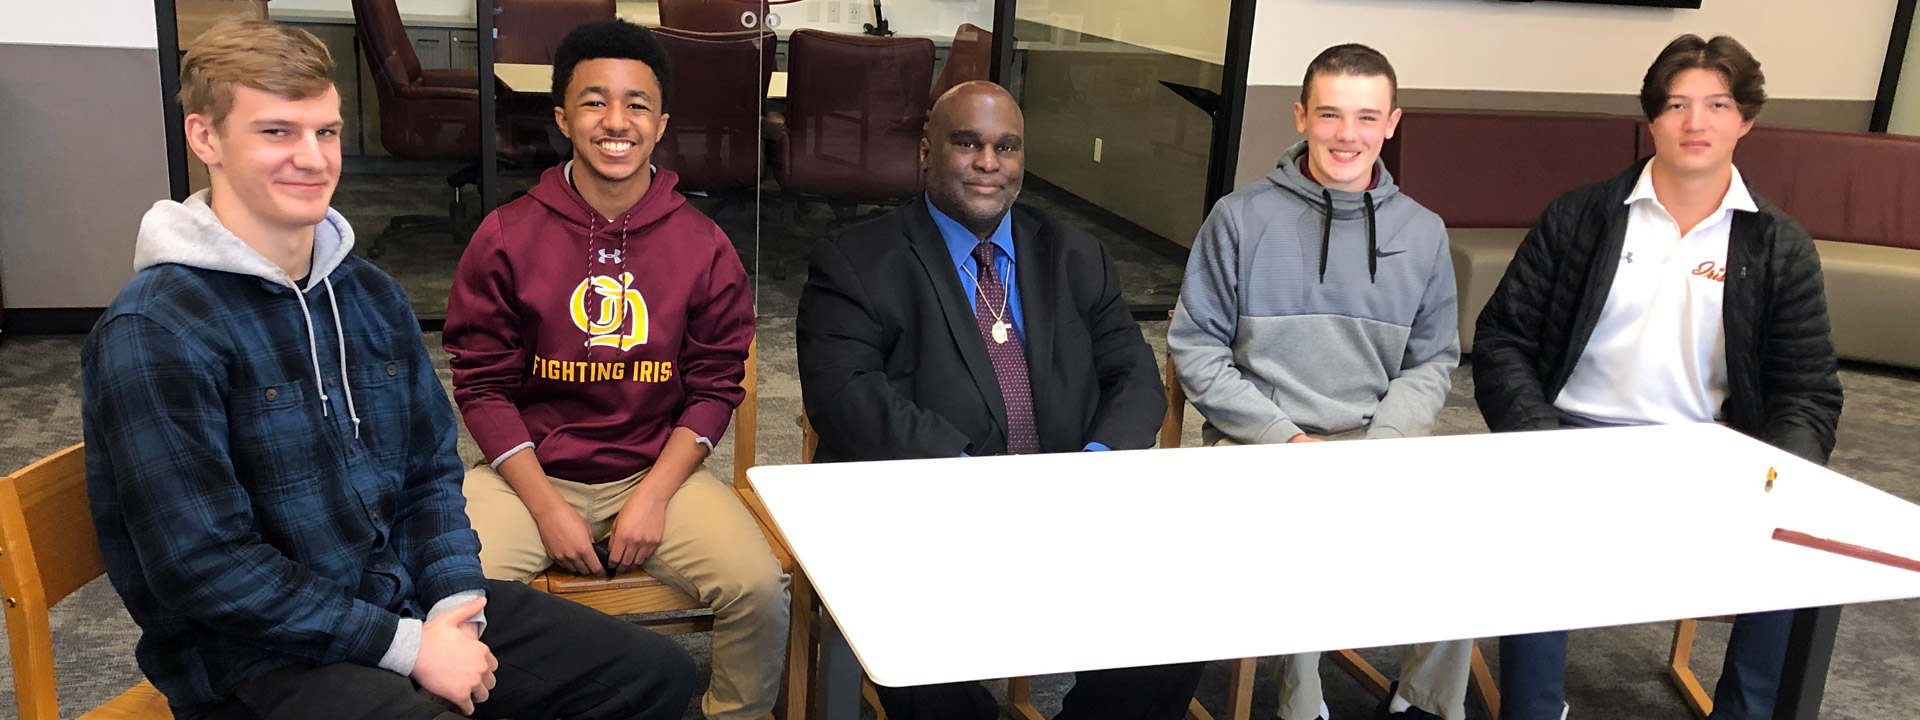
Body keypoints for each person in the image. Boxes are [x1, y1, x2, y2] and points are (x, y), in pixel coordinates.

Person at [82, 19, 695, 720]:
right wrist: (408, 647)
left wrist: (455, 604)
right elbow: (205, 566)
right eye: (277, 133)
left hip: (396, 602)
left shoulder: (369, 295)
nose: (312, 159)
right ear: (206, 139)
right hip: (251, 661)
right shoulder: (156, 328)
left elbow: (429, 473)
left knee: (653, 675)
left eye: (327, 132)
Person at [795, 79, 1203, 720]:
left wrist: (1091, 466)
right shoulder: (856, 261)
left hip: (1066, 511)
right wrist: (973, 480)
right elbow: (844, 398)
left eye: (1006, 147)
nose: (989, 163)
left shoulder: (1075, 255)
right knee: (918, 655)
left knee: (1186, 618)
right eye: (967, 143)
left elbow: (1135, 376)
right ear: (925, 151)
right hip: (920, 521)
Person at [1473, 34, 1843, 720]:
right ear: (1651, 119)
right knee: (1530, 527)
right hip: (1571, 436)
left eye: (1716, 104)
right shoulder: (1580, 215)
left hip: (1703, 451)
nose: (1695, 122)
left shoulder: (1777, 244)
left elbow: (1807, 390)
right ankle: (1533, 709)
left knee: (1801, 536)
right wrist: (1539, 441)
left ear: (1746, 120)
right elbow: (1503, 340)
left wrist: (1779, 479)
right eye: (1676, 104)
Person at [444, 19, 786, 720]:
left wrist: (656, 496)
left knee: (759, 587)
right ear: (563, 117)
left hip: (655, 470)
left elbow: (718, 382)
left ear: (661, 123)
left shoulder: (703, 243)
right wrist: (546, 507)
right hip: (530, 475)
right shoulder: (506, 234)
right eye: (595, 101)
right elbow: (481, 383)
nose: (616, 121)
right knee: (444, 593)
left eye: (636, 104)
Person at [1168, 43, 1465, 720]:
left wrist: (1381, 444)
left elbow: (1431, 360)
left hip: (1374, 444)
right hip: (1259, 444)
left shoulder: (1422, 233)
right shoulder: (1238, 220)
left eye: (1366, 117)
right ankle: (1303, 708)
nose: (1347, 134)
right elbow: (1196, 348)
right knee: (1295, 530)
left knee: (1464, 534)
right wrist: (1285, 439)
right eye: (1330, 114)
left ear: (1392, 122)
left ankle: (1423, 703)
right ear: (1301, 116)